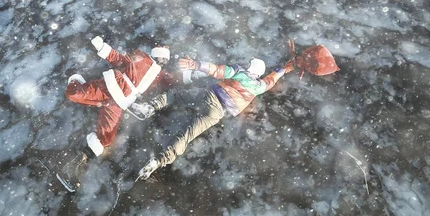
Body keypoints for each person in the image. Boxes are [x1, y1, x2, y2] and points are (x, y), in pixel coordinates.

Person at [136, 44, 340, 180]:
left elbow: (217, 70)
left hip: (210, 96)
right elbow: (272, 79)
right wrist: (287, 68)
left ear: (249, 67)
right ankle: (159, 161)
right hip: (217, 113)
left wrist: (196, 64)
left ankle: (149, 107)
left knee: (176, 96)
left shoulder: (240, 72)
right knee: (187, 134)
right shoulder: (259, 87)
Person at [58, 36, 181, 191]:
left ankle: (75, 164)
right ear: (156, 54)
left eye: (166, 59)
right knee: (73, 94)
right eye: (162, 56)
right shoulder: (140, 56)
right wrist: (102, 47)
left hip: (119, 103)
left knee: (105, 138)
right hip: (110, 86)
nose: (163, 60)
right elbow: (119, 60)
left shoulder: (160, 75)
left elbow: (174, 80)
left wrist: (196, 71)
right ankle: (78, 79)